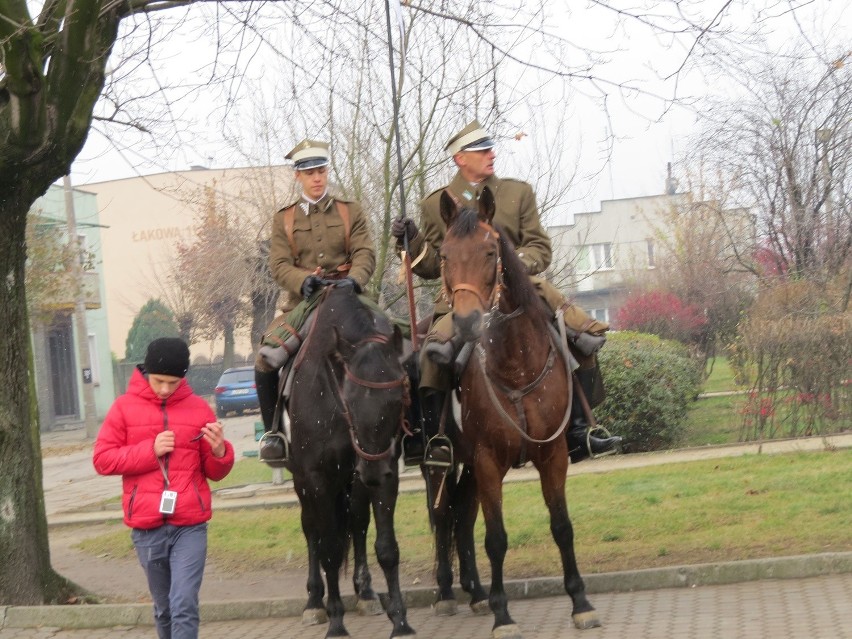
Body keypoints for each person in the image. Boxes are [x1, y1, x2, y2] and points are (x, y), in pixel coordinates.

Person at [392, 119, 623, 466]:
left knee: (581, 337)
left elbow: (540, 247)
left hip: (519, 291)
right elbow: (429, 268)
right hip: (464, 298)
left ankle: (580, 429)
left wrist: (512, 267)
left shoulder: (518, 193)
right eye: (482, 150)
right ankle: (435, 438)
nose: (491, 154)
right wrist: (410, 241)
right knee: (430, 355)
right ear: (459, 158)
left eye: (490, 148)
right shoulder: (436, 204)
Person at [93, 337, 235, 639]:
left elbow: (215, 472)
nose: (165, 389)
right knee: (164, 608)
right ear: (146, 372)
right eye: (159, 381)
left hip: (190, 526)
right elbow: (102, 460)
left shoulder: (199, 409)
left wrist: (220, 451)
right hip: (146, 527)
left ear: (183, 377)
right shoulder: (123, 408)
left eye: (173, 382)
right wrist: (149, 450)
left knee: (183, 602)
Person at [254, 138, 376, 461]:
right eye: (309, 172)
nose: (317, 177)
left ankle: (409, 429)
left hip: (350, 297)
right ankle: (274, 435)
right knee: (265, 359)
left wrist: (355, 279)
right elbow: (279, 264)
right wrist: (302, 280)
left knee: (398, 338)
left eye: (321, 170)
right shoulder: (284, 219)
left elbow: (365, 252)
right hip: (305, 303)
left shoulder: (351, 211)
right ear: (298, 177)